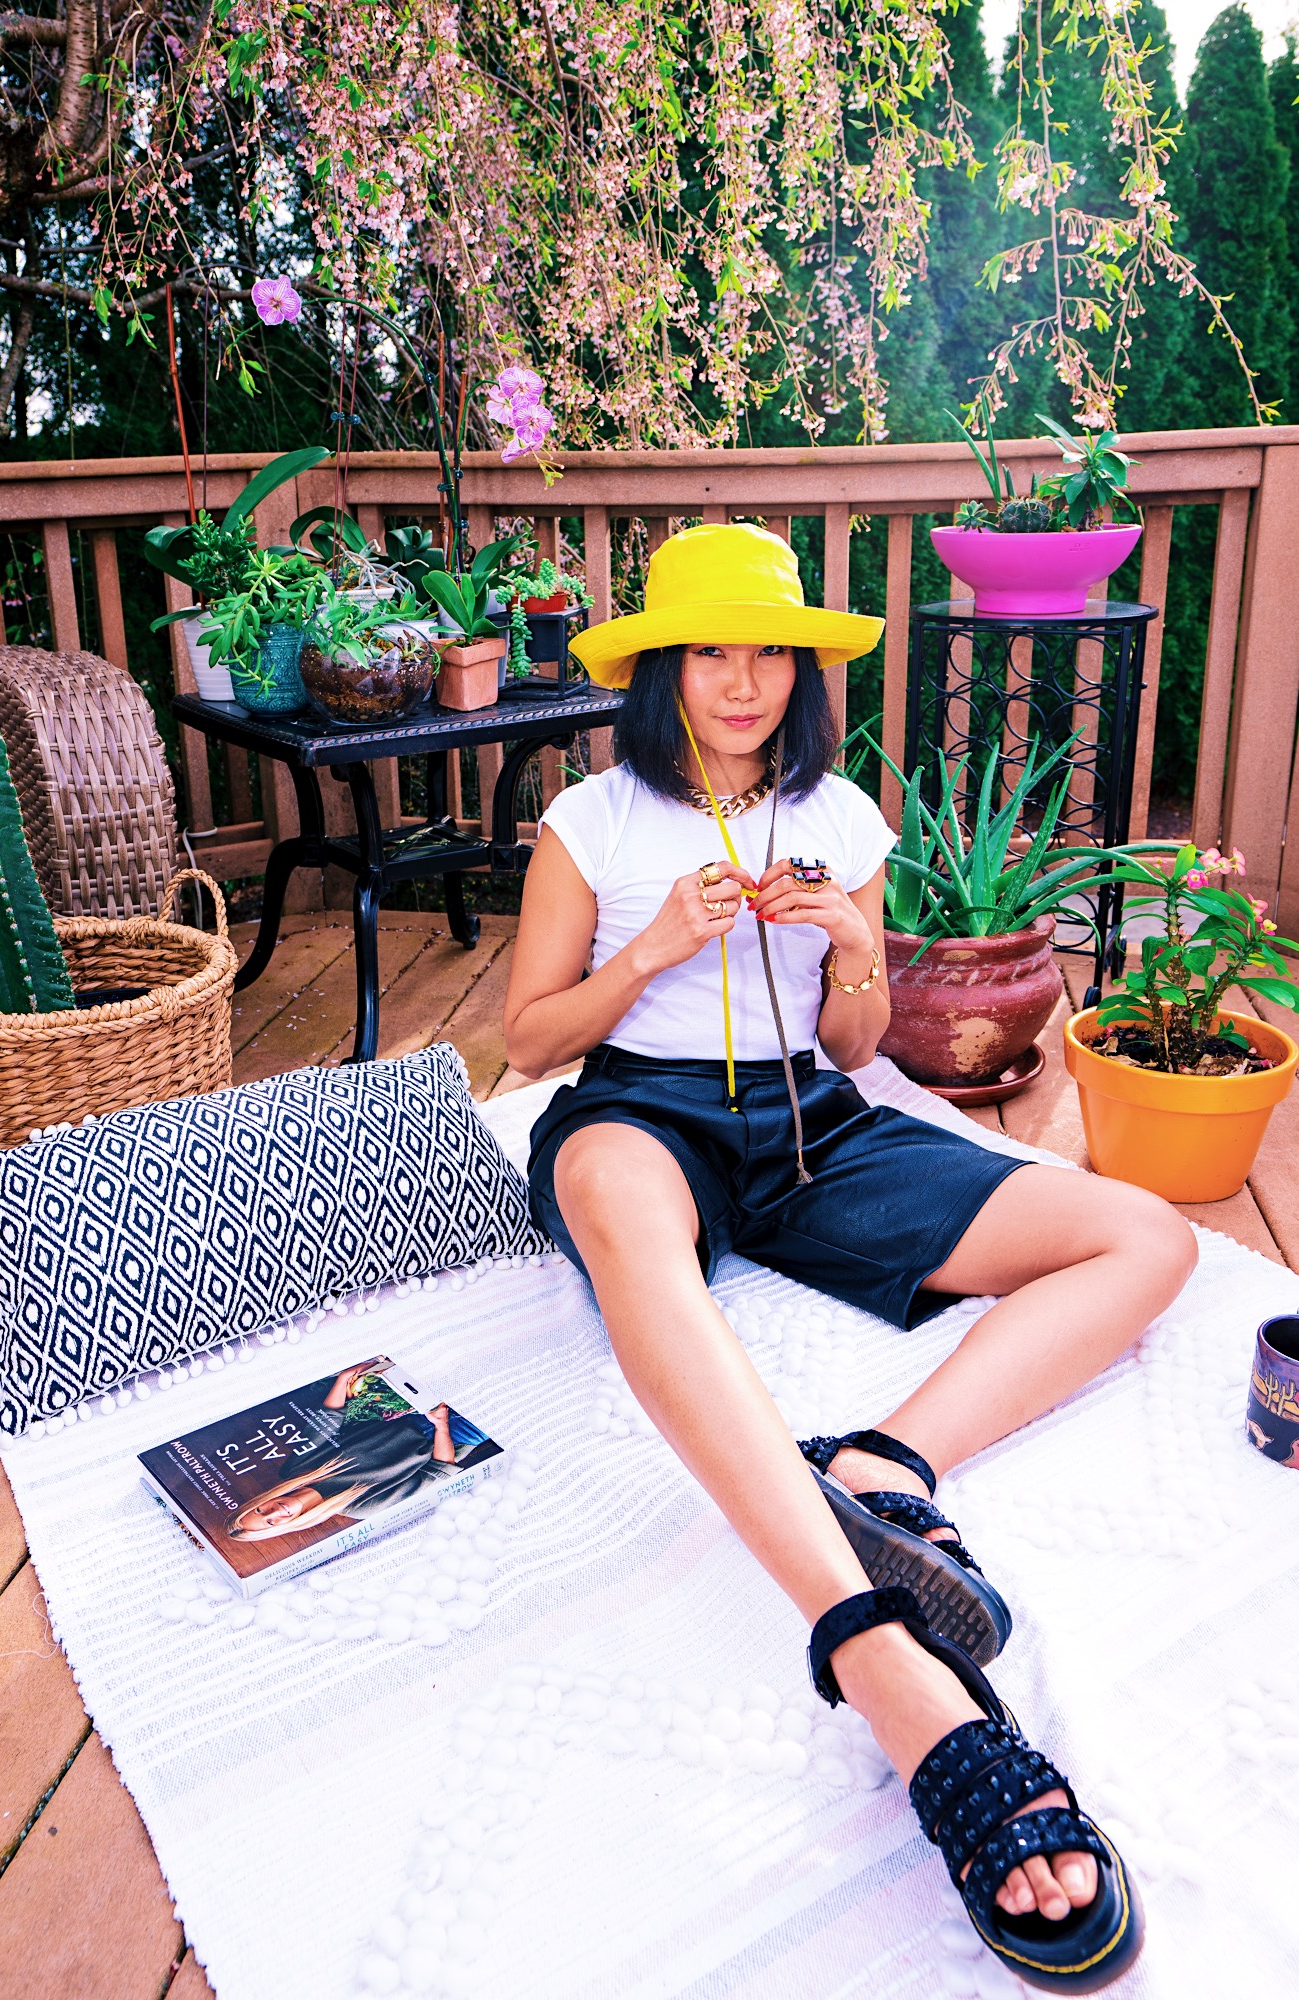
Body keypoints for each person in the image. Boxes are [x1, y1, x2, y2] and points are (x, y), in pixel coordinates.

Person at [503, 523, 1195, 1988]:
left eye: (768, 652)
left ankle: (884, 1466)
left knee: (1141, 1236)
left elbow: (861, 1048)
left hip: (814, 1125)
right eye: (710, 651)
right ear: (666, 669)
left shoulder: (847, 816)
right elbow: (527, 1038)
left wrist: (853, 946)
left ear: (804, 670)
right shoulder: (596, 820)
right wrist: (649, 958)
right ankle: (884, 1662)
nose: (741, 681)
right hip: (642, 1114)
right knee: (628, 1212)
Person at [229, 1359, 460, 1541]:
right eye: (270, 1523)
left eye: (260, 1510)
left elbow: (326, 1421)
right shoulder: (360, 1507)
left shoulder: (296, 1470)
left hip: (404, 1410)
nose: (274, 1512)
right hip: (450, 1436)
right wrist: (441, 1425)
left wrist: (344, 1378)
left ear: (260, 1499)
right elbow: (438, 1472)